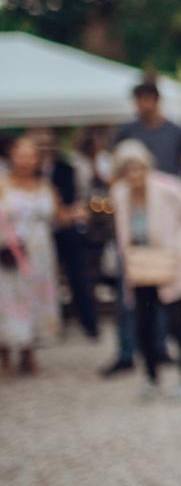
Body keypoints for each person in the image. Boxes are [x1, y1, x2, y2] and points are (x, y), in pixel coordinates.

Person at [110, 141, 181, 401]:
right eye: (130, 170)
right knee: (144, 324)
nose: (136, 176)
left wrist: (179, 243)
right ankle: (151, 376)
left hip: (169, 264)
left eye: (139, 169)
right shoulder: (120, 193)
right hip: (140, 266)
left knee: (176, 323)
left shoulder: (167, 188)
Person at [29, 128, 98, 340]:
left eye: (47, 142)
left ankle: (89, 324)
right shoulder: (29, 171)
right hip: (38, 234)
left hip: (66, 229)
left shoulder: (67, 167)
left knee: (77, 277)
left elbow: (79, 196)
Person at [0, 136, 61, 375]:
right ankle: (5, 351)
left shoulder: (45, 187)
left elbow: (57, 216)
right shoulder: (3, 185)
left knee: (35, 297)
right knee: (8, 299)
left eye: (31, 156)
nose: (26, 161)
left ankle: (29, 351)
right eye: (21, 155)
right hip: (10, 251)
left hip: (39, 251)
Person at [114, 80, 181, 193]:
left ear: (156, 100)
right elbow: (116, 171)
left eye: (145, 100)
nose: (141, 106)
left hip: (169, 194)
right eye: (138, 101)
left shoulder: (177, 132)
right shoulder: (126, 132)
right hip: (137, 199)